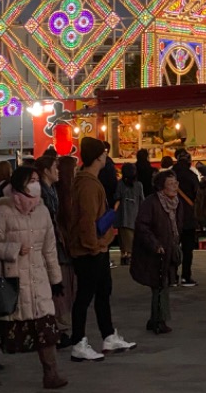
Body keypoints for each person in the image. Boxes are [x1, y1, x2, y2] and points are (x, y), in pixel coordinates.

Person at [0, 165, 67, 390]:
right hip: (12, 280)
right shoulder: (3, 210)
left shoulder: (42, 210)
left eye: (37, 179)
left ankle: (51, 373)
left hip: (37, 279)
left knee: (45, 328)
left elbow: (49, 248)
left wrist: (55, 279)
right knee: (2, 329)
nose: (35, 184)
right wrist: (14, 249)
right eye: (31, 180)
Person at [67, 136, 136, 362]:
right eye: (105, 153)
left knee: (103, 291)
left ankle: (108, 335)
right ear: (98, 156)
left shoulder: (87, 180)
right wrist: (94, 246)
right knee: (86, 295)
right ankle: (78, 341)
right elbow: (87, 220)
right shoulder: (87, 184)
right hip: (90, 249)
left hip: (97, 246)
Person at [130, 169, 184, 334]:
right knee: (159, 285)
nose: (175, 187)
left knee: (162, 285)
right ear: (161, 187)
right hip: (155, 252)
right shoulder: (151, 203)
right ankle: (158, 320)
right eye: (170, 184)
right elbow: (142, 226)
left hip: (169, 249)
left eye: (176, 183)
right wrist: (155, 244)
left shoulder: (176, 203)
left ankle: (156, 319)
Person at [35, 153, 74, 348]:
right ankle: (55, 329)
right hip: (48, 247)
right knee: (54, 288)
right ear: (46, 171)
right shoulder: (42, 193)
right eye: (55, 168)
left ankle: (57, 327)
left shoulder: (53, 191)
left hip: (56, 245)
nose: (58, 171)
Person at [173, 148, 200, 287]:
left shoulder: (169, 175)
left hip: (171, 215)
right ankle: (186, 276)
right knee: (187, 249)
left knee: (172, 247)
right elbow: (198, 195)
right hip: (188, 217)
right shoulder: (191, 176)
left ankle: (171, 276)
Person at [115, 163, 144, 266]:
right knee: (132, 236)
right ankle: (130, 255)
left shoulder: (120, 184)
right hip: (135, 214)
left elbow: (117, 197)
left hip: (123, 215)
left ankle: (124, 255)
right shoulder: (139, 185)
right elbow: (142, 200)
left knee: (123, 236)